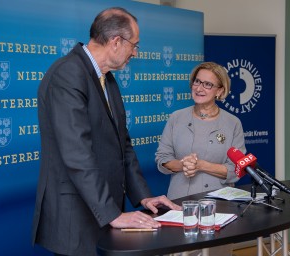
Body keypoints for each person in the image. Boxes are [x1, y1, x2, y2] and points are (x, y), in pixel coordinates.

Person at [32, 7, 180, 256]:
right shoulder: (68, 74)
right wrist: (113, 214)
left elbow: (123, 144)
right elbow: (77, 154)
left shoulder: (107, 78)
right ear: (116, 41)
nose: (135, 52)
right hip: (76, 216)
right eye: (134, 45)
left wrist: (143, 198)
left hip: (105, 210)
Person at [155, 62, 246, 256]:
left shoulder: (232, 123)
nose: (199, 88)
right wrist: (182, 164)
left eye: (207, 84)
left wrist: (202, 165)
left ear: (220, 90)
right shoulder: (176, 118)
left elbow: (236, 170)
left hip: (218, 207)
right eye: (197, 81)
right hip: (179, 204)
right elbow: (162, 159)